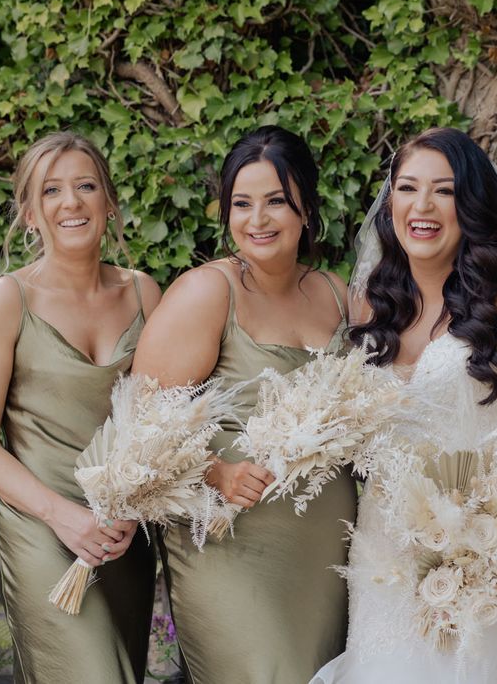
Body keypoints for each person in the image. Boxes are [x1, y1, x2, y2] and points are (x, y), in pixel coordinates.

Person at [313, 127, 497, 683]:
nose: (422, 207)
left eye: (444, 191)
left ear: (470, 203)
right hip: (382, 550)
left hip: (480, 552)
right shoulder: (371, 299)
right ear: (391, 203)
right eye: (407, 188)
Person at [132, 125, 358, 684]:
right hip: (232, 545)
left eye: (276, 201)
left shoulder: (337, 293)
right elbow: (139, 420)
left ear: (306, 206)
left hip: (324, 551)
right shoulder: (210, 291)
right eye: (242, 203)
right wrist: (219, 471)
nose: (258, 220)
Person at [0, 131, 161, 683]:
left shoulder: (146, 294)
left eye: (85, 186)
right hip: (42, 529)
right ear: (29, 213)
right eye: (51, 191)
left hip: (123, 533)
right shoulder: (8, 299)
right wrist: (59, 515)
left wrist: (134, 509)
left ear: (109, 203)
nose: (70, 202)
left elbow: (164, 418)